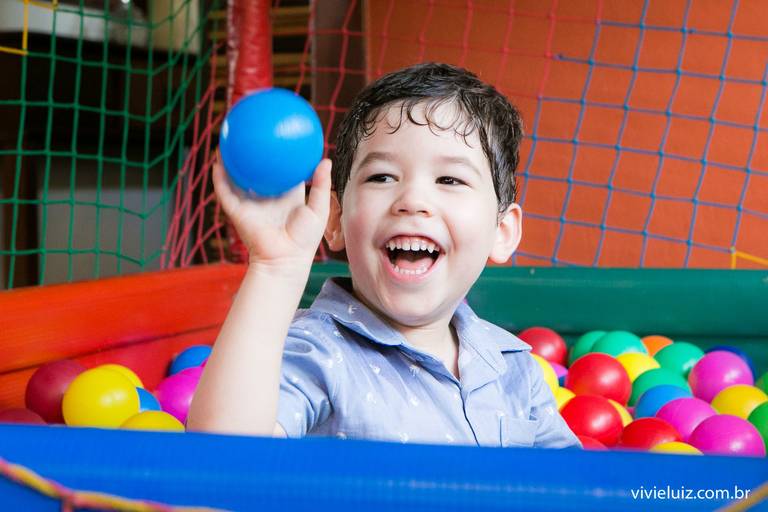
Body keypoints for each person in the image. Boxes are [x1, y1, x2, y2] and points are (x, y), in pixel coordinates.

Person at [187, 62, 580, 449]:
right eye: (382, 177)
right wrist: (276, 268)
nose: (412, 199)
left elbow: (571, 482)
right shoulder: (316, 352)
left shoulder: (513, 367)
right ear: (335, 219)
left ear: (502, 231)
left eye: (449, 179)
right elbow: (223, 456)